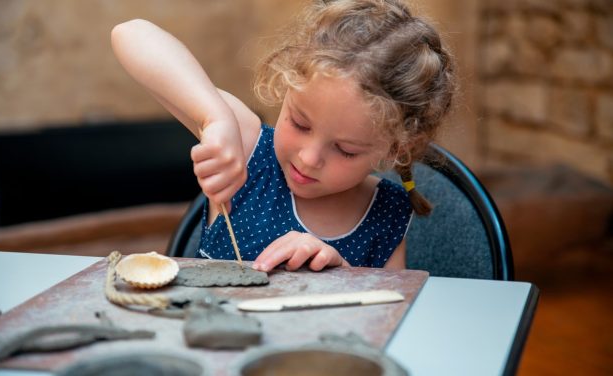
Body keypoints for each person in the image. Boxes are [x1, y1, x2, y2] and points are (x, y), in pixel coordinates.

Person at [111, 0, 455, 273]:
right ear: (285, 88)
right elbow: (131, 33)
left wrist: (339, 271)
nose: (308, 157)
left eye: (345, 150)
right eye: (300, 124)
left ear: (397, 149)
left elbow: (387, 315)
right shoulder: (248, 148)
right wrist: (215, 118)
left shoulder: (387, 214)